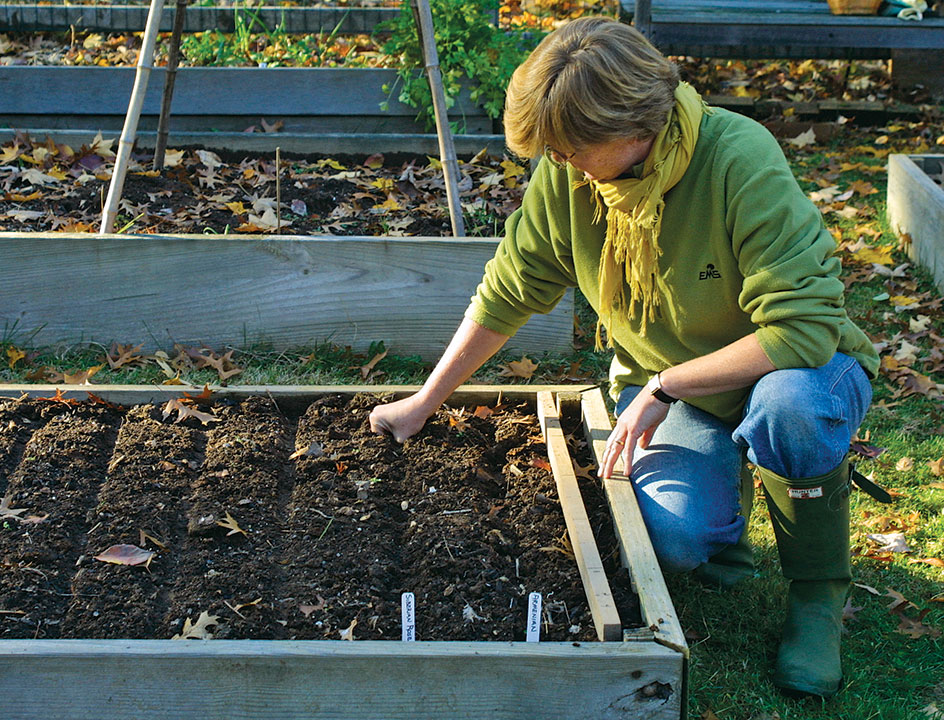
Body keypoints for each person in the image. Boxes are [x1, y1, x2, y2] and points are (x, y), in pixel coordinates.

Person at [368, 16, 879, 700]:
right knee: (671, 539)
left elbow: (802, 331)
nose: (559, 163)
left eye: (572, 148)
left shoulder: (737, 159)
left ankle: (816, 597)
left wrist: (666, 384)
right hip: (688, 394)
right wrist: (423, 402)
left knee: (791, 411)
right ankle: (728, 526)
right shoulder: (571, 179)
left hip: (801, 371)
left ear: (636, 127)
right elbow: (510, 289)